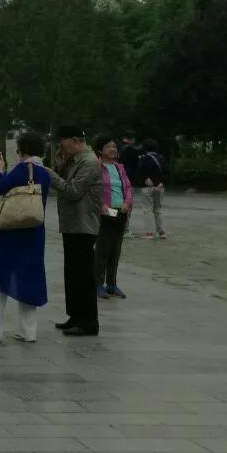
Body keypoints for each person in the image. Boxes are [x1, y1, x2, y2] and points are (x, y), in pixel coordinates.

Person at [0, 130, 51, 343]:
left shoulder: (22, 169)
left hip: (12, 232)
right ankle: (28, 331)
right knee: (29, 277)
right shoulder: (44, 172)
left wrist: (0, 171)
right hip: (34, 233)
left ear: (22, 151)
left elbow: (0, 188)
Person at [48, 124, 103, 336]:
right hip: (72, 225)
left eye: (62, 142)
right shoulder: (75, 161)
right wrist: (60, 166)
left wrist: (50, 175)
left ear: (74, 140)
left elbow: (73, 191)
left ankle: (88, 322)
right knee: (72, 274)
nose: (60, 146)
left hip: (83, 225)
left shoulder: (89, 162)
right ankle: (75, 316)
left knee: (83, 275)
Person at [92, 135, 133, 300]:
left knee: (115, 250)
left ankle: (112, 284)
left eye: (114, 147)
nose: (113, 149)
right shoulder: (96, 167)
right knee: (102, 249)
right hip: (105, 212)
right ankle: (97, 284)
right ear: (100, 150)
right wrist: (101, 205)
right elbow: (93, 189)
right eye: (109, 147)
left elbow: (128, 188)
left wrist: (127, 203)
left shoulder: (119, 168)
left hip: (120, 212)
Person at [139, 139, 167, 238]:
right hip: (159, 187)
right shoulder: (161, 158)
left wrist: (146, 179)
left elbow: (140, 172)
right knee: (158, 209)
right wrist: (161, 183)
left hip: (147, 187)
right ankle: (162, 231)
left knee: (147, 210)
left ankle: (149, 233)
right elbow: (165, 172)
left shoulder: (143, 159)